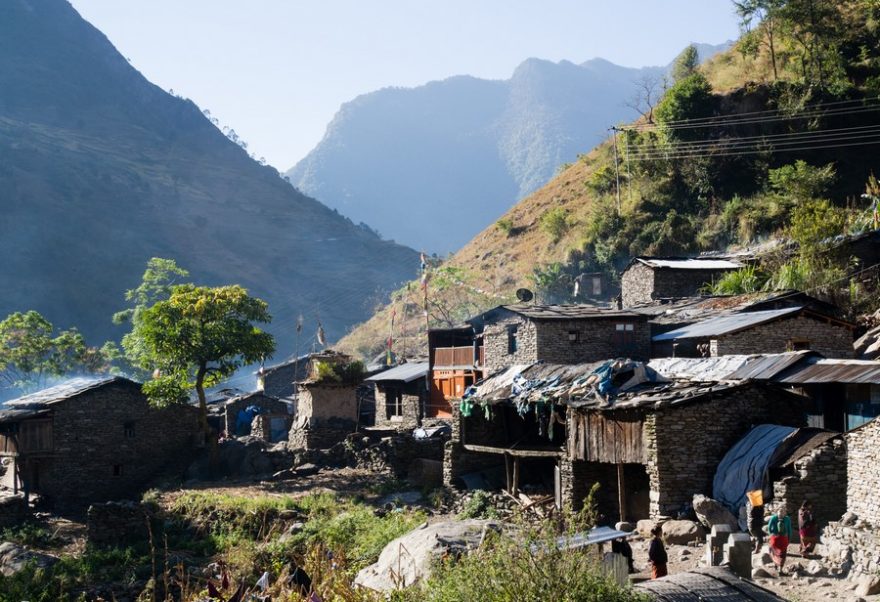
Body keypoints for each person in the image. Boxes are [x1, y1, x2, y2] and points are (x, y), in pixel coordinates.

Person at [767, 507, 793, 575]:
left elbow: (769, 528)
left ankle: (775, 565)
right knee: (782, 554)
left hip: (775, 539)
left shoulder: (773, 518)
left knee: (774, 552)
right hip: (783, 539)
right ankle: (780, 570)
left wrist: (772, 534)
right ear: (785, 512)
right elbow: (789, 530)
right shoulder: (787, 519)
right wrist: (789, 539)